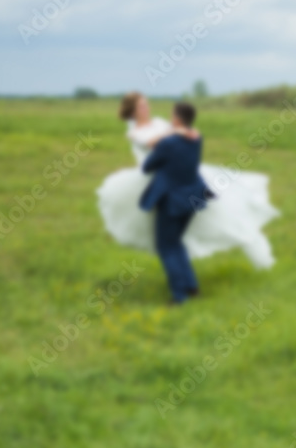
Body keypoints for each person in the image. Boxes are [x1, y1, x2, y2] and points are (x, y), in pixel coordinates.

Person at [96, 92, 280, 281]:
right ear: (133, 111)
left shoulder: (159, 122)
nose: (146, 108)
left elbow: (182, 134)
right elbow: (156, 143)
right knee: (167, 236)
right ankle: (185, 281)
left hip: (180, 177)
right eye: (141, 106)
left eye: (146, 104)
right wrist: (177, 132)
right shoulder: (134, 132)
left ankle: (186, 282)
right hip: (157, 181)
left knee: (219, 215)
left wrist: (185, 132)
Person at [139, 102, 211, 304]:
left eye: (172, 115)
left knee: (166, 246)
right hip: (193, 195)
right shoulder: (197, 138)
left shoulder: (169, 143)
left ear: (177, 119)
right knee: (176, 242)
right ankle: (191, 286)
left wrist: (167, 135)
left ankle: (179, 296)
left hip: (173, 200)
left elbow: (147, 166)